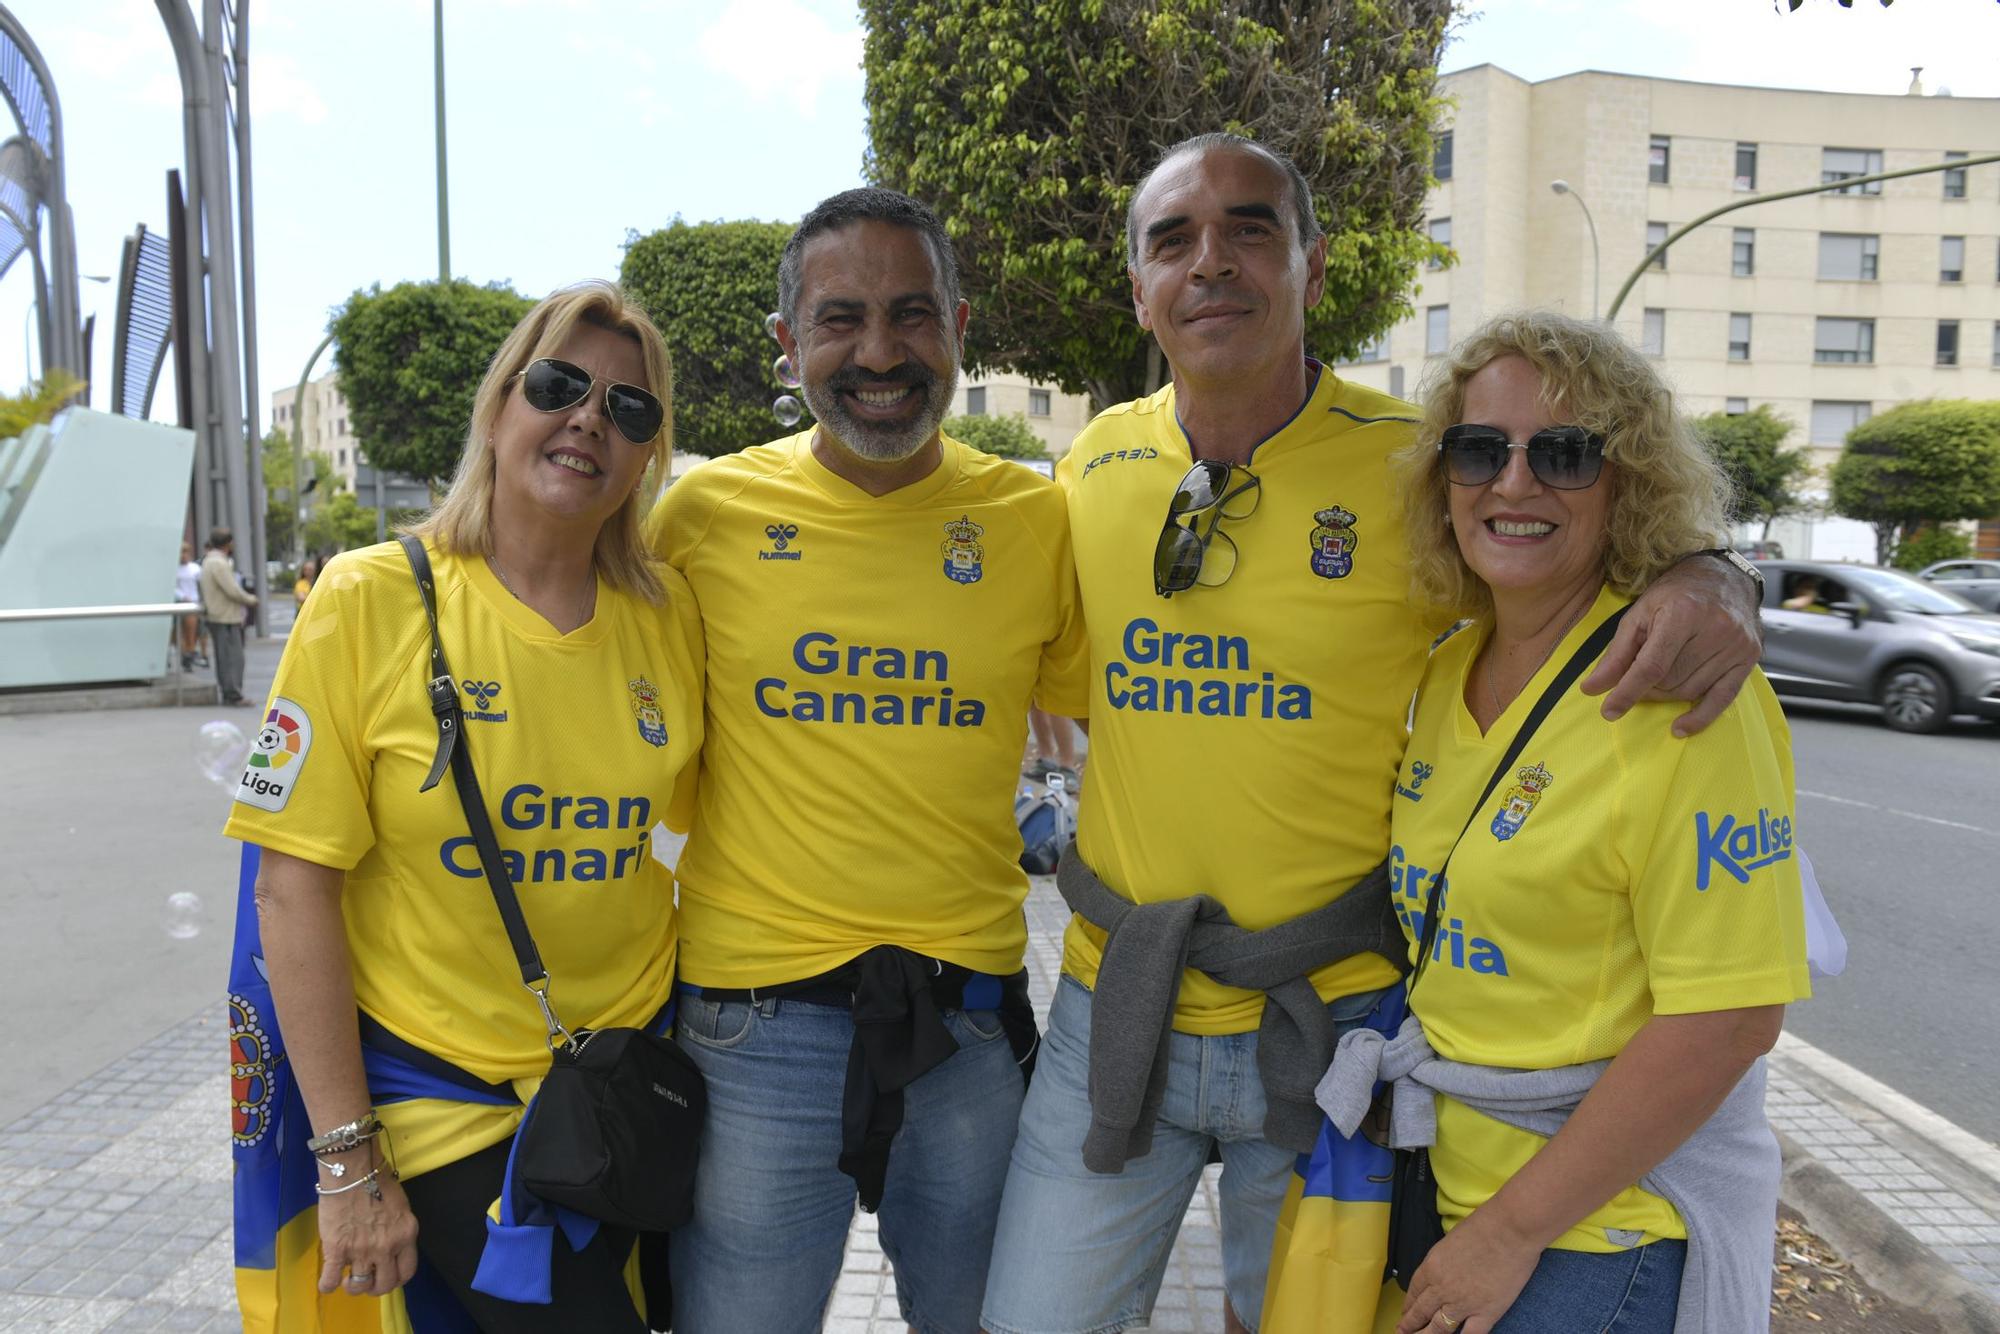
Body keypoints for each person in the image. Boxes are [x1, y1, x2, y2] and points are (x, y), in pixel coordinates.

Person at [981, 133, 1765, 1334]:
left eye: (1250, 227)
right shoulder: (1091, 464)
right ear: (1136, 285)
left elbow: (1573, 560)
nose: (1212, 263)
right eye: (1172, 240)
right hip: (1114, 1000)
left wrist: (1715, 579)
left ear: (1312, 260)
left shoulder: (1418, 466)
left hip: (1334, 1017)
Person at [645, 187, 1088, 1334]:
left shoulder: (1034, 520)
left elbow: (1145, 699)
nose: (879, 353)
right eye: (839, 320)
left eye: (912, 314)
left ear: (959, 326)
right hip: (750, 1032)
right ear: (788, 344)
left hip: (968, 1026)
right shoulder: (701, 515)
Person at [223, 281, 703, 1332]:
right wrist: (347, 1160)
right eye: (559, 384)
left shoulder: (668, 624)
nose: (589, 418)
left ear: (647, 454)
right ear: (497, 407)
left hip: (622, 1104)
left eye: (629, 409)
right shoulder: (367, 597)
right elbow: (292, 889)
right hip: (446, 1110)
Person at [1347, 310, 1808, 1333]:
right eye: (1478, 449)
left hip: (1594, 1235)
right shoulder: (1444, 667)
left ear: (1625, 481)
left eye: (1562, 453)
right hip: (1446, 1193)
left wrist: (1509, 1232)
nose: (1512, 484)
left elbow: (1729, 1016)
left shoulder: (1680, 687)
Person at [200, 526, 259, 706]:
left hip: (218, 614)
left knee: (225, 657)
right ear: (227, 543)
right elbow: (231, 589)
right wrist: (250, 599)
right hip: (225, 616)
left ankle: (230, 692)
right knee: (233, 658)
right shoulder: (218, 563)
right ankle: (233, 694)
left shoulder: (210, 561)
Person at [174, 540, 205, 671]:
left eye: (186, 552)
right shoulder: (175, 569)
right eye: (181, 552)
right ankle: (185, 653)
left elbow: (202, 584)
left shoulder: (195, 568)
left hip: (193, 602)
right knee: (178, 632)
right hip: (180, 602)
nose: (183, 555)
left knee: (192, 631)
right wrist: (181, 596)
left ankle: (189, 653)